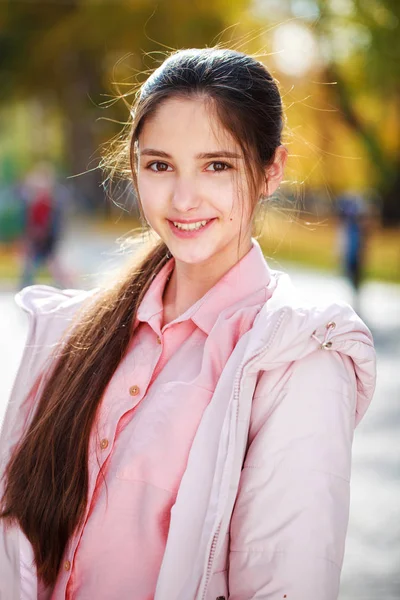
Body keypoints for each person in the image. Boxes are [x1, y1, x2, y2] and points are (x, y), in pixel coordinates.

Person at [0, 48, 376, 600]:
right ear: (133, 167)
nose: (183, 198)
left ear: (272, 170)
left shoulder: (297, 360)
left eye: (217, 165)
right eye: (159, 165)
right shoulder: (76, 334)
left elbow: (283, 584)